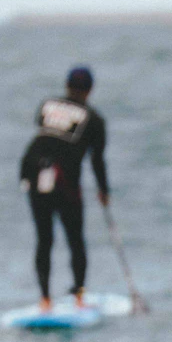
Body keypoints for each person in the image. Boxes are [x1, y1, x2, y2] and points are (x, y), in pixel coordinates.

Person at [18, 66, 109, 313]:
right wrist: (104, 191)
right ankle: (79, 296)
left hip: (33, 175)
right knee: (75, 239)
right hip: (65, 182)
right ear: (90, 90)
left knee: (44, 239)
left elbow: (43, 130)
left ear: (67, 85)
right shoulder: (94, 119)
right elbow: (96, 160)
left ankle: (45, 299)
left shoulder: (47, 105)